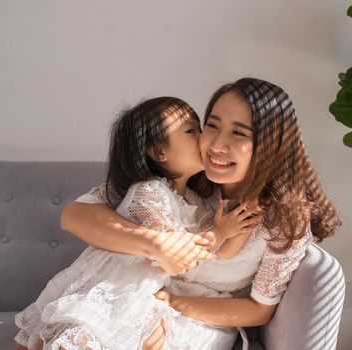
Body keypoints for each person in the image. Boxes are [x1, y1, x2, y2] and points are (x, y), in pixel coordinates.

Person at [60, 78, 341, 350]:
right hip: (141, 298)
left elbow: (259, 309)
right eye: (212, 126)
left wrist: (170, 303)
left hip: (199, 320)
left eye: (238, 133)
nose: (216, 145)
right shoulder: (185, 176)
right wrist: (155, 245)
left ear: (272, 144)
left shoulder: (283, 219)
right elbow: (76, 215)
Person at [14, 96, 259, 350]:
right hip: (120, 281)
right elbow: (180, 255)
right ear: (159, 152)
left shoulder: (196, 198)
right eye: (190, 131)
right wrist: (219, 232)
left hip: (148, 289)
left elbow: (215, 254)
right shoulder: (149, 191)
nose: (202, 139)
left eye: (200, 128)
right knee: (80, 334)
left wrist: (234, 227)